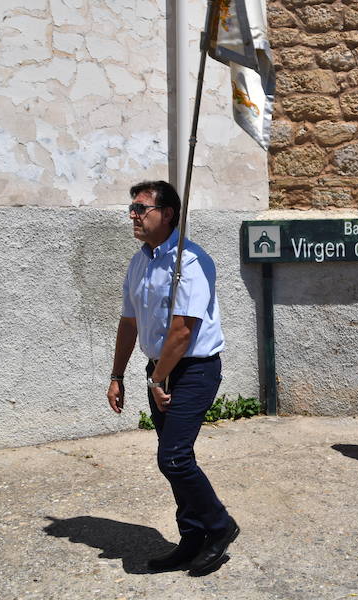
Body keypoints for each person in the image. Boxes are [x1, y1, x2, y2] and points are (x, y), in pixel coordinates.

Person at [106, 180, 238, 575]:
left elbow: (183, 330)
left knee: (174, 457)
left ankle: (220, 526)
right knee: (175, 457)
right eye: (131, 207)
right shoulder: (139, 262)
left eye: (140, 208)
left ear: (167, 214)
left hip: (194, 370)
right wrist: (117, 375)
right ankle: (192, 537)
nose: (133, 214)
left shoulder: (191, 262)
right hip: (158, 371)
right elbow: (129, 322)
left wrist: (158, 379)